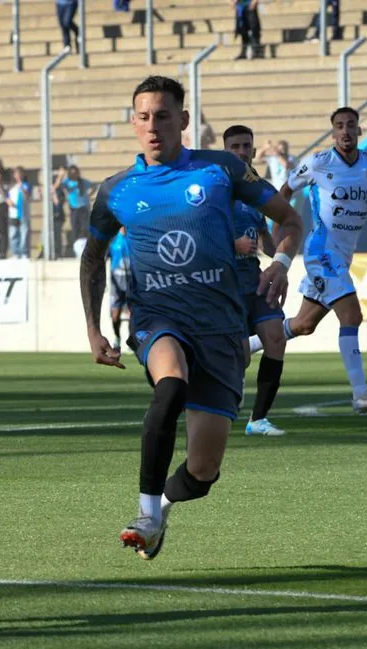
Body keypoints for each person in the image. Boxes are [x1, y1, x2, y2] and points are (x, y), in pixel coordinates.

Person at [79, 75, 303, 560]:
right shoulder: (117, 190)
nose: (152, 126)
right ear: (133, 122)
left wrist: (281, 265)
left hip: (222, 329)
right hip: (158, 317)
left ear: (183, 120)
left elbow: (290, 220)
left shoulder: (221, 170)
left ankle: (160, 507)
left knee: (202, 473)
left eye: (163, 116)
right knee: (171, 383)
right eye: (143, 117)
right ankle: (143, 511)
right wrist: (94, 329)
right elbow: (92, 258)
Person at [248, 107, 367, 413]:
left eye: (350, 125)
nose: (345, 131)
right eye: (339, 126)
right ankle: (360, 394)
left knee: (304, 324)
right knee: (352, 316)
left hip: (342, 257)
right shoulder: (318, 163)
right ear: (333, 132)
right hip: (321, 251)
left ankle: (240, 348)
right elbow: (285, 190)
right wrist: (278, 227)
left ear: (359, 130)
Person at [223, 125, 287, 436]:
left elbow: (263, 236)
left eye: (245, 146)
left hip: (254, 277)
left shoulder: (255, 191)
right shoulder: (215, 189)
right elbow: (195, 233)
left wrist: (279, 264)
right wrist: (231, 244)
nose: (240, 152)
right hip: (224, 282)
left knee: (276, 337)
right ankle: (214, 405)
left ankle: (258, 419)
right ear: (225, 151)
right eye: (234, 146)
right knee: (240, 356)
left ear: (253, 150)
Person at [58, 164, 93, 254]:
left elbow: (93, 186)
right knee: (75, 228)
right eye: (72, 173)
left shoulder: (82, 182)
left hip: (84, 207)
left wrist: (89, 194)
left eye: (75, 173)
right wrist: (60, 176)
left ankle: (87, 248)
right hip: (74, 208)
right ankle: (77, 248)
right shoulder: (67, 182)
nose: (74, 175)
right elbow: (58, 186)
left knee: (86, 227)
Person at [107, 226, 130, 351]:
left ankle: (132, 340)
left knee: (134, 314)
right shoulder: (113, 242)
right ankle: (117, 338)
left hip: (132, 282)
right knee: (115, 316)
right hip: (116, 284)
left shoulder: (133, 240)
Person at [6, 166, 31, 259]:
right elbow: (7, 196)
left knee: (24, 233)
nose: (18, 176)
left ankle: (24, 252)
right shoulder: (11, 186)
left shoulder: (26, 185)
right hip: (13, 213)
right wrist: (8, 201)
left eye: (20, 174)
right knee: (13, 233)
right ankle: (15, 252)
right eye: (16, 174)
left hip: (23, 213)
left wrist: (23, 188)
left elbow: (28, 195)